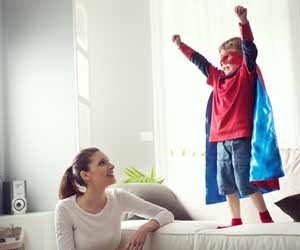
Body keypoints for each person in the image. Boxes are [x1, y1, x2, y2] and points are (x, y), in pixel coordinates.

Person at [172, 5, 278, 228]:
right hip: (220, 139)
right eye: (221, 59)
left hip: (241, 137)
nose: (223, 62)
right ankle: (236, 221)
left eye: (228, 57)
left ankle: (266, 219)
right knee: (225, 183)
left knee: (244, 181)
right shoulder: (217, 78)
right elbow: (199, 61)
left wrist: (243, 22)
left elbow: (250, 49)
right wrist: (181, 46)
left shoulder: (245, 74)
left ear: (239, 58)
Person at [55, 147, 174, 250]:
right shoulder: (65, 209)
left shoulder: (118, 197)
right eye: (102, 163)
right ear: (85, 175)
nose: (112, 166)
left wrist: (144, 229)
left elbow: (165, 214)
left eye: (108, 161)